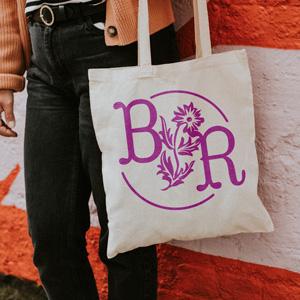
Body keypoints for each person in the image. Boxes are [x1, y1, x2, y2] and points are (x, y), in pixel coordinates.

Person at [0, 0, 180, 299]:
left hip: (116, 46)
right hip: (43, 54)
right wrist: (5, 70)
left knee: (125, 236)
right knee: (50, 236)